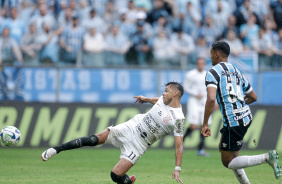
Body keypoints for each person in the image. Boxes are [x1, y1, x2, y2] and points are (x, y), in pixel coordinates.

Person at [41, 82, 185, 184]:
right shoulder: (163, 99)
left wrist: (177, 168)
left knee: (115, 175)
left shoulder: (178, 119)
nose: (163, 93)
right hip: (132, 127)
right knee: (95, 139)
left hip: (139, 145)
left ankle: (128, 181)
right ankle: (56, 149)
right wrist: (145, 99)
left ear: (175, 93)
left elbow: (179, 146)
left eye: (166, 90)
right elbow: (158, 100)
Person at [201, 41, 281, 183]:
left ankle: (267, 157)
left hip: (233, 120)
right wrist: (239, 104)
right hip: (245, 116)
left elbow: (211, 100)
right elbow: (253, 97)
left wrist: (205, 123)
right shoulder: (236, 70)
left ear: (217, 54)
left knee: (228, 162)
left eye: (211, 54)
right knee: (224, 149)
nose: (210, 56)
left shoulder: (212, 73)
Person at [183, 58, 212, 157]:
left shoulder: (208, 74)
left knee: (204, 125)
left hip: (204, 101)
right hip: (194, 101)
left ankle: (200, 149)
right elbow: (186, 87)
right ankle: (181, 143)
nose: (201, 65)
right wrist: (195, 93)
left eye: (202, 63)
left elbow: (211, 89)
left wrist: (214, 101)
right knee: (193, 125)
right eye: (199, 63)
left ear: (204, 64)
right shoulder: (190, 74)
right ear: (196, 64)